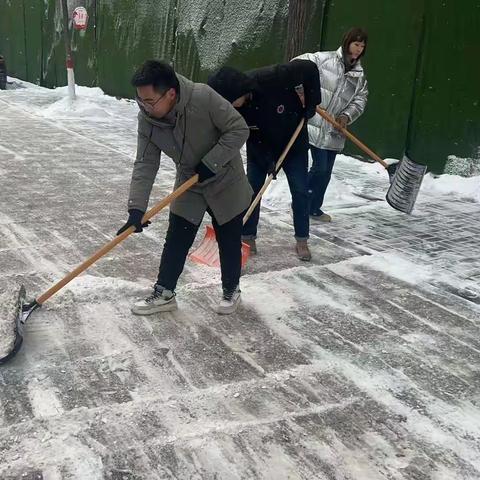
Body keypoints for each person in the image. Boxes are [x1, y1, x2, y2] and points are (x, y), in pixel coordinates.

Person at [117, 60, 252, 315]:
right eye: (140, 100)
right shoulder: (148, 120)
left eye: (150, 101)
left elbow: (238, 129)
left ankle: (231, 289)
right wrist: (136, 209)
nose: (144, 107)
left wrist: (212, 162)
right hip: (190, 179)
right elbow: (145, 163)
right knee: (178, 236)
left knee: (229, 238)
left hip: (225, 178)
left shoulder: (203, 97)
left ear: (170, 93)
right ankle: (165, 292)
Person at [207, 59, 321, 261]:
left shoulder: (273, 76)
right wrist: (268, 160)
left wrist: (311, 103)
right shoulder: (236, 113)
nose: (227, 109)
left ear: (236, 92)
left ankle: (302, 239)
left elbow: (310, 68)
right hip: (260, 147)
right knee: (252, 189)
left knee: (300, 191)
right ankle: (247, 237)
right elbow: (251, 138)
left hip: (293, 142)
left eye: (228, 102)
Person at [295, 27, 368, 222]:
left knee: (326, 172)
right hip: (315, 123)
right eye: (356, 44)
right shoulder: (323, 59)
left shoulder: (359, 75)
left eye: (362, 45)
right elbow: (295, 66)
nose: (358, 49)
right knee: (319, 168)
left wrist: (346, 116)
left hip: (336, 130)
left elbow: (360, 99)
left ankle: (313, 208)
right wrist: (304, 94)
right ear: (347, 43)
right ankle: (300, 204)